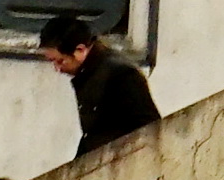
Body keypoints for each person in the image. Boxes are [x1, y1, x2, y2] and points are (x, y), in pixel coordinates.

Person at [36, 13, 158, 155]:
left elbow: (148, 127)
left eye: (60, 61)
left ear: (80, 50)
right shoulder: (90, 74)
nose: (57, 69)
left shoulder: (121, 74)